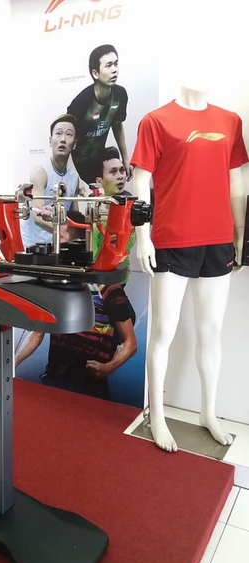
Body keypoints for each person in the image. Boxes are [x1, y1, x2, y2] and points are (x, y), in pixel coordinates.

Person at [131, 63, 249, 452]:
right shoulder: (156, 121)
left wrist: (240, 232)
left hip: (218, 239)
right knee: (163, 332)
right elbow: (141, 182)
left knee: (211, 330)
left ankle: (208, 413)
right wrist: (142, 236)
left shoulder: (229, 121)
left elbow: (236, 179)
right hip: (172, 238)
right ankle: (158, 416)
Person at [15, 212, 137, 401]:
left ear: (77, 244)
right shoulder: (56, 282)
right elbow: (37, 335)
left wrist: (107, 368)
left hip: (89, 391)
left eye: (61, 238)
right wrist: (12, 363)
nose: (55, 244)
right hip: (53, 382)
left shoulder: (108, 287)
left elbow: (131, 344)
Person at [67, 44, 132, 185]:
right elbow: (67, 141)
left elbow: (117, 125)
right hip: (78, 164)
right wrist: (73, 177)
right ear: (95, 73)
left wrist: (126, 159)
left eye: (116, 64)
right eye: (108, 65)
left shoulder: (120, 94)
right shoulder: (80, 104)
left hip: (99, 161)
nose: (114, 70)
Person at [20, 114, 85, 248]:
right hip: (33, 247)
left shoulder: (74, 178)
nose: (63, 139)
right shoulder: (40, 173)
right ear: (50, 141)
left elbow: (73, 217)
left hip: (59, 246)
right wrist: (65, 233)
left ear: (74, 144)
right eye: (58, 134)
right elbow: (38, 217)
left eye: (68, 134)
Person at [91, 146, 135, 285]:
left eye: (122, 170)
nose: (120, 176)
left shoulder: (131, 206)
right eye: (113, 172)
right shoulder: (93, 205)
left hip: (117, 276)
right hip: (93, 276)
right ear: (99, 181)